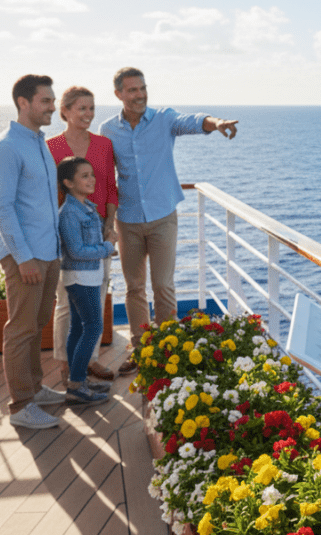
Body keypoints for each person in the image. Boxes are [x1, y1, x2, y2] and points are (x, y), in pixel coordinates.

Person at [100, 68, 238, 374]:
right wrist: (107, 222)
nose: (139, 95)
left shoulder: (163, 119)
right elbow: (105, 177)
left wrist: (216, 124)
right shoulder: (107, 129)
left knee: (163, 285)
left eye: (143, 88)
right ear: (119, 94)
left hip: (163, 217)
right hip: (128, 220)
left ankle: (168, 348)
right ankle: (141, 349)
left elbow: (191, 121)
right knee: (134, 288)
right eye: (132, 90)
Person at [0, 74, 67, 429]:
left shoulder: (38, 143)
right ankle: (21, 405)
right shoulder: (6, 148)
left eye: (52, 100)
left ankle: (34, 388)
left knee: (36, 324)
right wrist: (23, 258)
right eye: (46, 101)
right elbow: (1, 208)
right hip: (27, 256)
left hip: (47, 252)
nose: (52, 107)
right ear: (24, 103)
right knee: (20, 329)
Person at [47, 86, 119, 384]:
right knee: (67, 300)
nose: (88, 114)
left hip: (99, 223)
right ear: (64, 111)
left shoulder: (103, 145)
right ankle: (65, 362)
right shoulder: (51, 146)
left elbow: (110, 188)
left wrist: (109, 222)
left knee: (97, 294)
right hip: (67, 227)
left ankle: (90, 360)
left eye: (91, 108)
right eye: (81, 108)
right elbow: (49, 194)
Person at [57, 156, 116, 405]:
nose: (91, 179)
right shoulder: (70, 213)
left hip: (89, 276)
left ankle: (76, 381)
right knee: (93, 327)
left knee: (79, 328)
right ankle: (77, 384)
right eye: (84, 176)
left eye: (92, 174)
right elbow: (77, 251)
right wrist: (107, 247)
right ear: (68, 182)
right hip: (81, 278)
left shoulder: (87, 207)